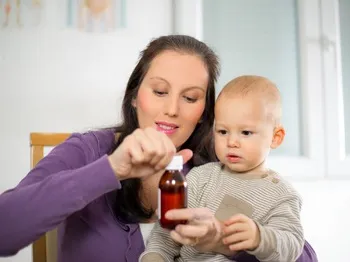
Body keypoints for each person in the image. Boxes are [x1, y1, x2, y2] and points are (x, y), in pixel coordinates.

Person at [0, 35, 317, 262]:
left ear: (205, 112)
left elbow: (302, 254)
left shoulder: (224, 170)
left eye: (190, 98)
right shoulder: (88, 150)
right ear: (135, 96)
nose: (172, 110)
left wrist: (227, 243)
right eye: (160, 91)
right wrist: (111, 169)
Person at [140, 75, 305, 262]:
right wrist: (154, 256)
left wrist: (259, 238)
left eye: (246, 132)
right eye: (223, 131)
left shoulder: (281, 195)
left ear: (276, 137)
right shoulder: (200, 177)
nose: (231, 142)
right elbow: (166, 234)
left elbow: (292, 245)